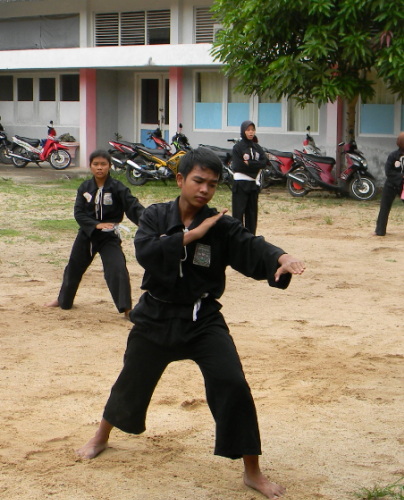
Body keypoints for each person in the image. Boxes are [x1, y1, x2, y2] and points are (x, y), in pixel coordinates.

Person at [75, 148, 305, 499]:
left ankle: (252, 471)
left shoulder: (221, 225)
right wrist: (193, 235)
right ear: (181, 179)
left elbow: (252, 247)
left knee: (233, 384)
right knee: (131, 380)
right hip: (155, 316)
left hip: (202, 319)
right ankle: (101, 436)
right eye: (198, 181)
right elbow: (146, 252)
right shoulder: (154, 216)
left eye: (212, 184)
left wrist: (282, 257)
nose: (205, 190)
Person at [45, 150, 143, 318]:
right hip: (87, 235)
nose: (99, 168)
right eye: (96, 164)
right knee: (73, 268)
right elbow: (79, 213)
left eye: (103, 164)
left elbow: (133, 207)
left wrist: (148, 223)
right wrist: (96, 225)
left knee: (117, 268)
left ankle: (127, 309)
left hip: (109, 237)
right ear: (90, 166)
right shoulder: (84, 187)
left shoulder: (118, 188)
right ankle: (64, 300)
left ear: (109, 166)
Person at [231, 120, 267, 235]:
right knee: (238, 214)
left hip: (252, 185)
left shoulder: (257, 147)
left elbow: (264, 162)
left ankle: (251, 238)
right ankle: (237, 238)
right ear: (243, 131)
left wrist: (250, 164)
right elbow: (237, 165)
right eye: (248, 130)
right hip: (240, 184)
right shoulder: (238, 147)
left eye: (253, 130)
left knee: (252, 214)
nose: (251, 132)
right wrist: (253, 167)